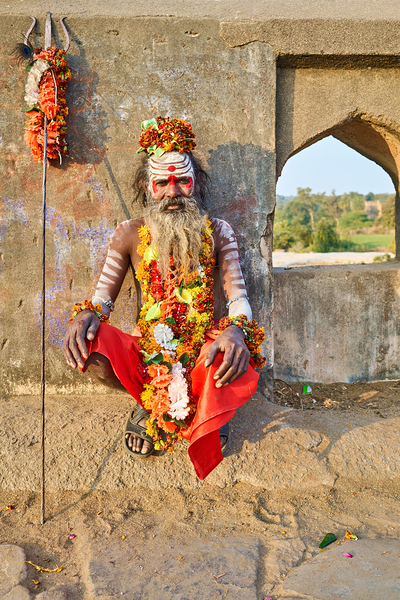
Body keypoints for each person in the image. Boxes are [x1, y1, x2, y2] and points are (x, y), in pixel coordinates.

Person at [63, 116, 265, 480]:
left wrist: (235, 331)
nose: (173, 192)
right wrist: (87, 316)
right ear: (147, 186)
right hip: (148, 348)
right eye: (162, 182)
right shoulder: (129, 233)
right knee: (91, 349)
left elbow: (238, 298)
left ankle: (208, 409)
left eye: (182, 181)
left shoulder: (218, 232)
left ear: (196, 183)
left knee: (233, 354)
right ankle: (147, 405)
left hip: (203, 346)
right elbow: (101, 301)